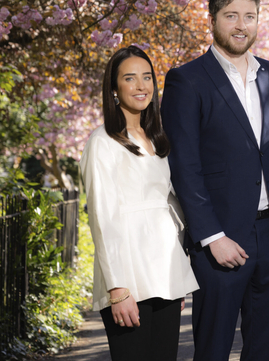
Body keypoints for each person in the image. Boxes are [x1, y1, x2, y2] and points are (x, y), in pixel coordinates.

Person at [160, 0, 269, 361]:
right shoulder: (186, 80)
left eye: (250, 16)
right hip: (221, 241)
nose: (241, 25)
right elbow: (184, 165)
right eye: (231, 16)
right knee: (213, 349)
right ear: (212, 19)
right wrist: (211, 236)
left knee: (266, 350)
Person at [80, 45, 199, 361]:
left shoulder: (158, 141)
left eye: (147, 77)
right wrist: (118, 289)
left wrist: (175, 276)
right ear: (114, 89)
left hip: (165, 275)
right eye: (130, 78)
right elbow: (103, 221)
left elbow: (170, 210)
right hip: (129, 281)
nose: (141, 85)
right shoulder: (102, 143)